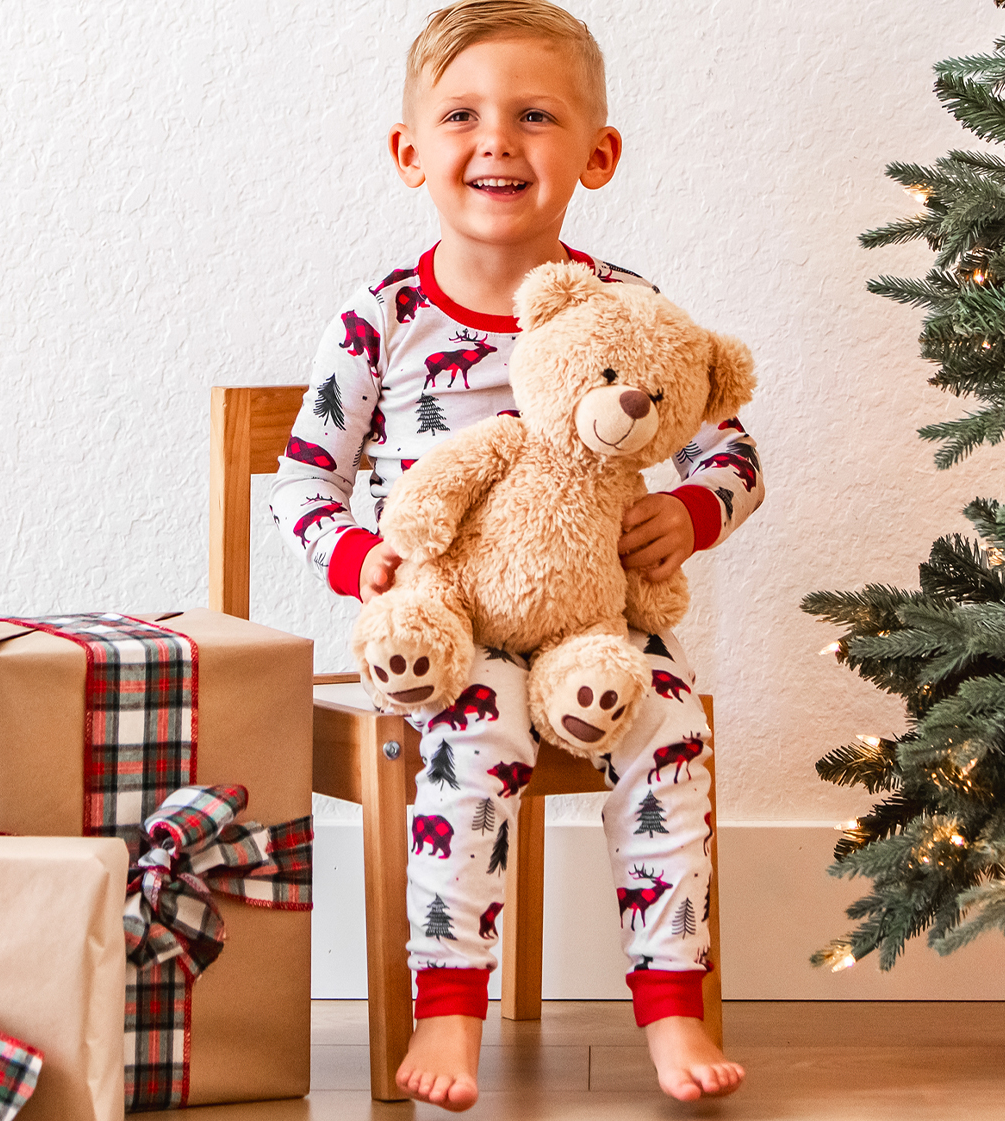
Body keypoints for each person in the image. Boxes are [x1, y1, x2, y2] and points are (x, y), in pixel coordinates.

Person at [262, 1, 763, 1107]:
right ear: (409, 154)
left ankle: (671, 1004)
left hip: (598, 626)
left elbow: (733, 447)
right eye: (460, 116)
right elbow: (302, 478)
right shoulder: (382, 316)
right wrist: (359, 559)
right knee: (471, 727)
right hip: (444, 630)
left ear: (596, 153)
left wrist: (687, 510)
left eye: (533, 116)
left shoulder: (631, 309)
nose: (495, 140)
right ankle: (448, 1012)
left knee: (670, 723)